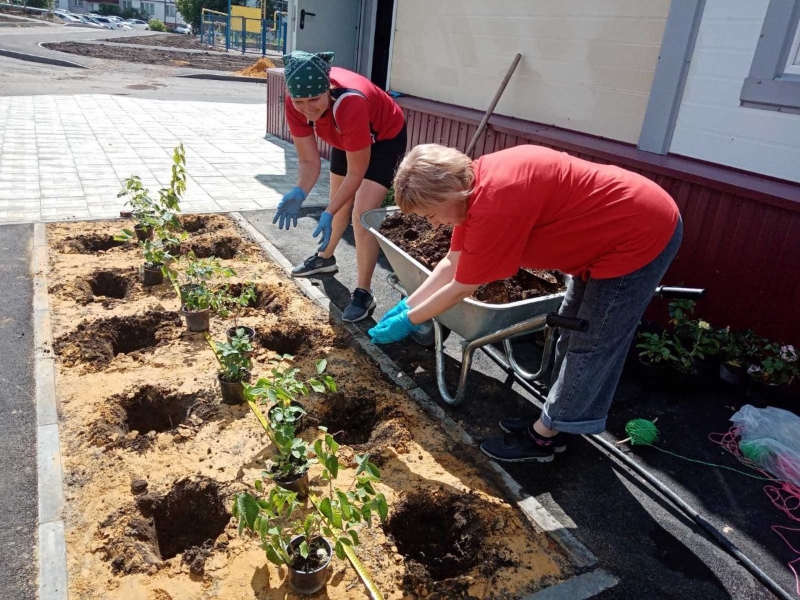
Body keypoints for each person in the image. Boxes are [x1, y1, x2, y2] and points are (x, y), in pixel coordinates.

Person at [368, 143, 682, 463]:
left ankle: (543, 439)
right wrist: (408, 306)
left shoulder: (495, 201)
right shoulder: (473, 185)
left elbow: (463, 286)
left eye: (431, 215)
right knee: (571, 330)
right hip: (608, 232)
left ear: (448, 193)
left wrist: (410, 321)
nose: (433, 224)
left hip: (639, 233)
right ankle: (555, 422)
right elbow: (453, 261)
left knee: (591, 342)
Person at [272, 50, 407, 322]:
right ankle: (325, 258)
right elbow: (309, 162)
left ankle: (364, 292)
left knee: (361, 214)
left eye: (314, 99)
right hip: (343, 134)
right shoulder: (294, 102)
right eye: (300, 101)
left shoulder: (350, 102)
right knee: (338, 199)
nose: (308, 108)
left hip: (384, 138)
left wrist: (329, 211)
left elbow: (357, 173)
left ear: (328, 90)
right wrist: (299, 191)